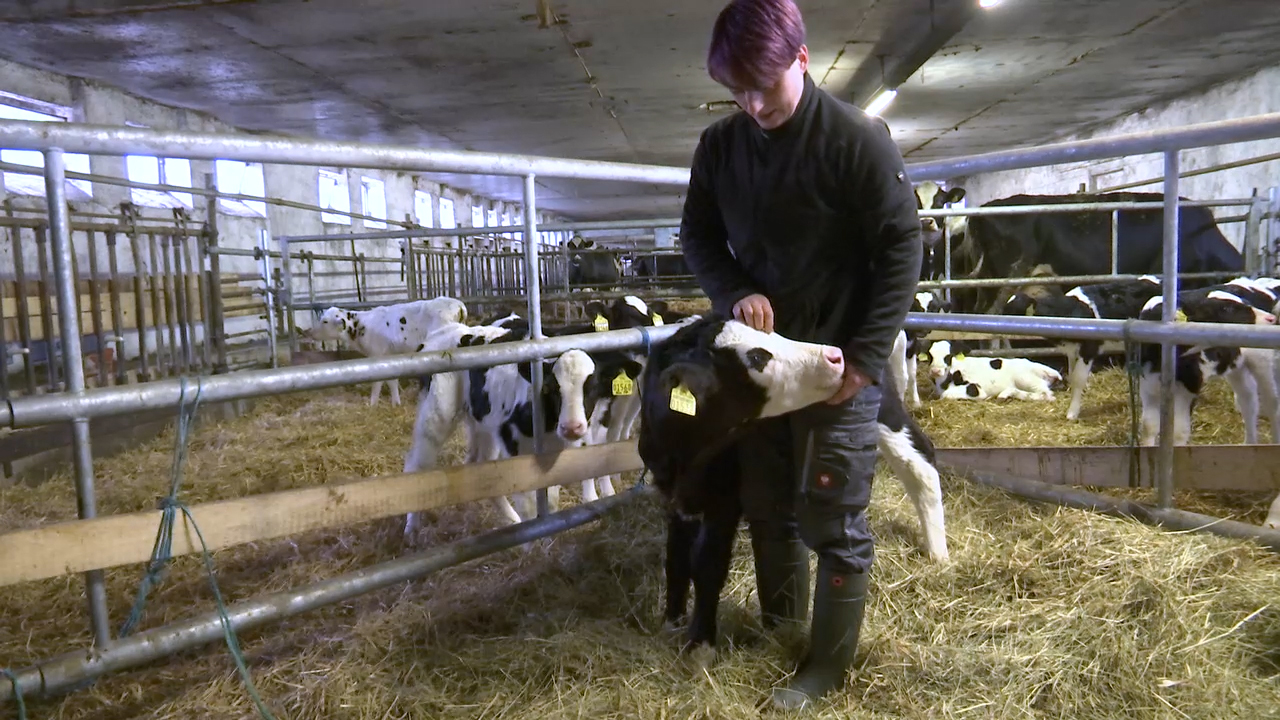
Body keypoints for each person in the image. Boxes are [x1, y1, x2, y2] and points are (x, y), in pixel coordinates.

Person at [678, 0, 923, 710]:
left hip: (838, 368)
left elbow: (902, 247)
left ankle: (825, 667)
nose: (753, 103)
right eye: (738, 90)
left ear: (803, 59)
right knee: (768, 507)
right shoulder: (720, 149)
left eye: (765, 84)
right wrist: (734, 290)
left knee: (832, 520)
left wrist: (870, 362)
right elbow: (696, 234)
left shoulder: (856, 139)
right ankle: (782, 629)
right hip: (766, 373)